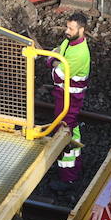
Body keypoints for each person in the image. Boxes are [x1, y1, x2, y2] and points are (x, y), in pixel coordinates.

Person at [48, 11, 91, 185]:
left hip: (70, 98)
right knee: (71, 129)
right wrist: (54, 60)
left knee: (63, 132)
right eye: (67, 27)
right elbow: (56, 53)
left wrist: (53, 61)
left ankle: (67, 178)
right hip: (64, 95)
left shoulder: (79, 53)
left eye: (71, 28)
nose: (67, 31)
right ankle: (75, 165)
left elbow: (57, 75)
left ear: (82, 30)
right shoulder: (69, 40)